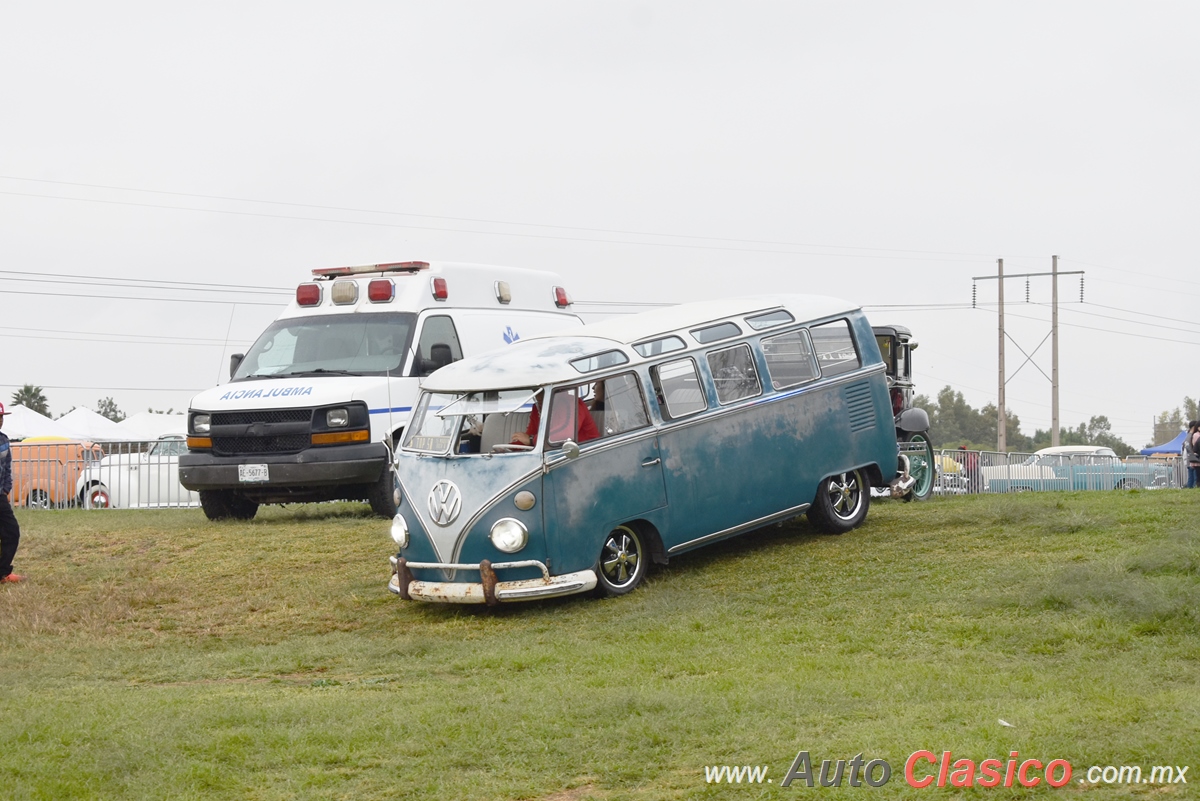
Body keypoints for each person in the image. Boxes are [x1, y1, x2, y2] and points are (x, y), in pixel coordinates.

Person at [511, 388, 599, 447]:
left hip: (585, 453)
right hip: (556, 453)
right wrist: (510, 448)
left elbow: (567, 433)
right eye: (535, 390)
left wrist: (531, 440)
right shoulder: (538, 407)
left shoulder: (573, 403)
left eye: (542, 391)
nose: (538, 396)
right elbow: (531, 434)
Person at [0, 403, 23, 584]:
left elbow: (7, 468)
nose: (0, 421)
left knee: (11, 532)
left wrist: (6, 488)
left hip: (0, 495)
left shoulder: (4, 440)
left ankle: (3, 572)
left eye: (1, 417)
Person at [1185, 421, 1200, 489]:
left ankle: (1190, 490)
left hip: (1191, 459)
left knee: (1192, 478)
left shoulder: (1188, 435)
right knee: (1195, 478)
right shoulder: (1196, 435)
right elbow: (1195, 448)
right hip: (1195, 459)